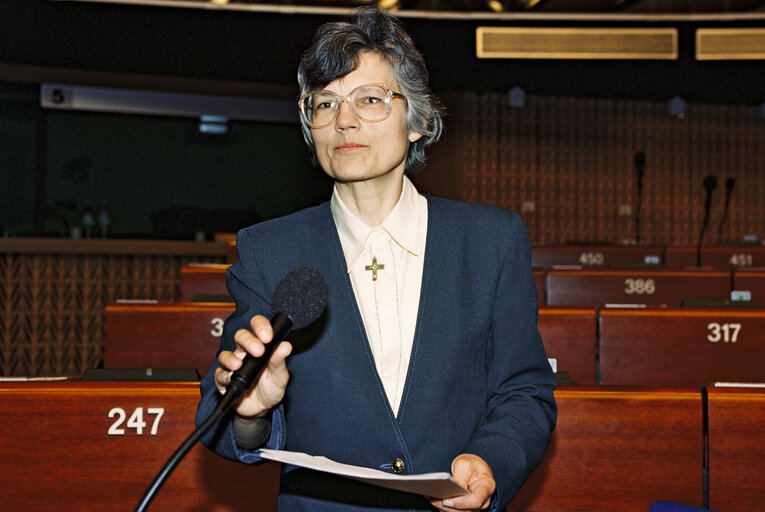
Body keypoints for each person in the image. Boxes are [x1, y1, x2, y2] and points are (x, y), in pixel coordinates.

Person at [196, 6, 556, 511]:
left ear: (418, 120)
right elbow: (229, 416)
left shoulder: (492, 240)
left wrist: (491, 460)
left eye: (369, 99)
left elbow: (524, 390)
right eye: (325, 104)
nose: (344, 120)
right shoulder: (268, 250)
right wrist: (250, 412)